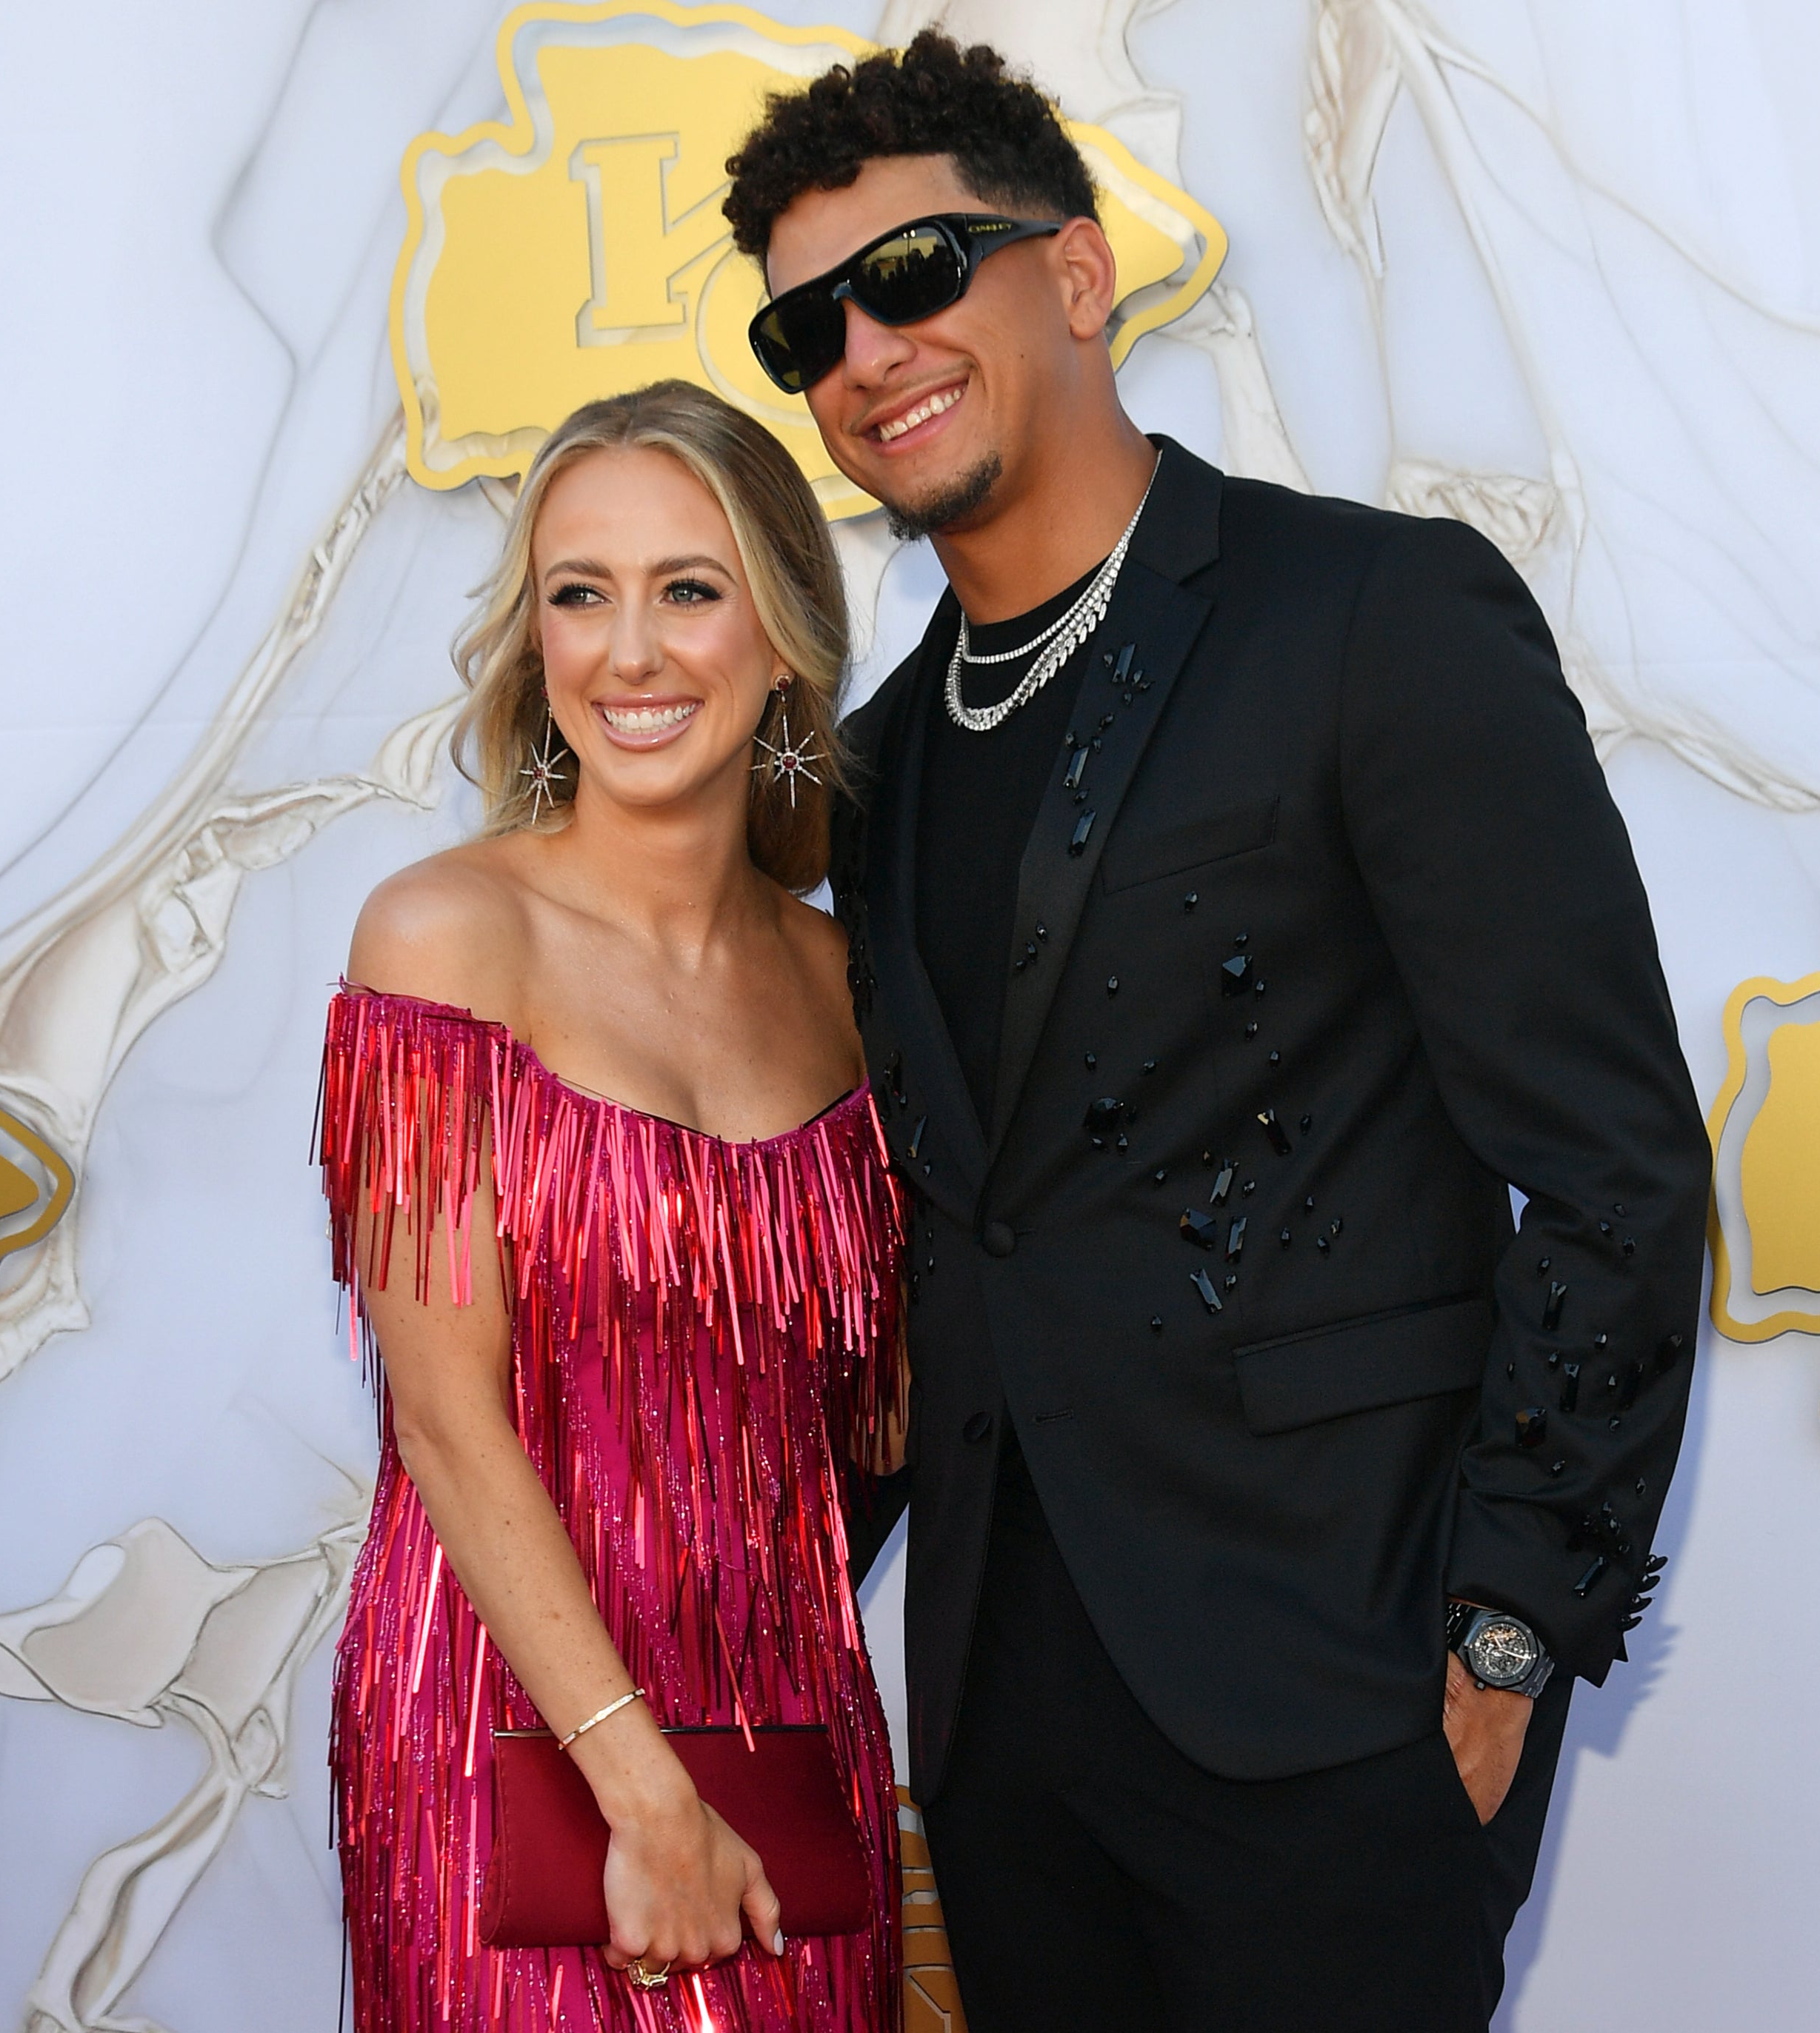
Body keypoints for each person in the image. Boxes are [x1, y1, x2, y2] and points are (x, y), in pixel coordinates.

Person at [720, 33, 1714, 2032]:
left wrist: (1508, 1629)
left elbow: (1611, 1159)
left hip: (1338, 1695)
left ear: (1074, 277)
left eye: (913, 273)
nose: (864, 350)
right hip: (1007, 1728)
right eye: (807, 324)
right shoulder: (891, 764)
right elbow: (951, 1235)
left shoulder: (1367, 613)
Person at [318, 381, 904, 2032]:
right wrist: (644, 1791)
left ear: (784, 634)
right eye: (580, 593)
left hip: (791, 1730)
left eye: (688, 589)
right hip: (511, 1728)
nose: (628, 652)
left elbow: (880, 1416)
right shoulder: (441, 940)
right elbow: (442, 1414)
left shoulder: (853, 984)